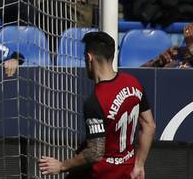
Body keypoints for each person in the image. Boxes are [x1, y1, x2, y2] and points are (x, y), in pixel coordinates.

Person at [37, 31, 154, 177]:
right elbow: (149, 124)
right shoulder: (133, 83)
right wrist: (139, 165)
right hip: (127, 172)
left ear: (88, 58)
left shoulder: (95, 101)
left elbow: (95, 152)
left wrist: (61, 166)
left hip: (101, 174)